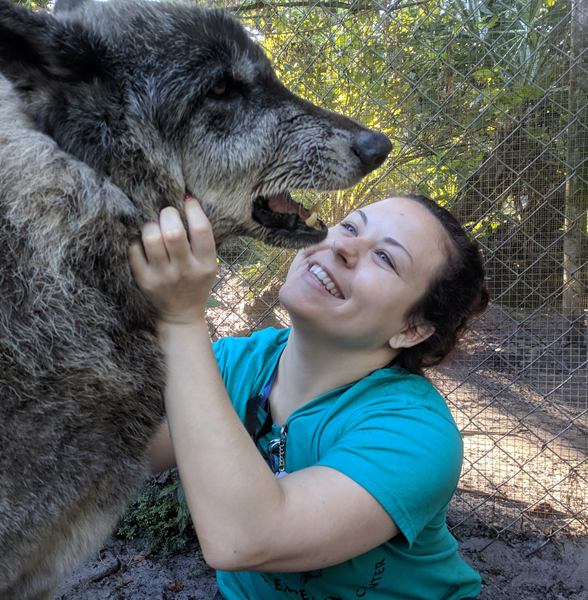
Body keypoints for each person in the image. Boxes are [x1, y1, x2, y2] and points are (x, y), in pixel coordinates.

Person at [128, 194, 490, 600]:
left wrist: (180, 319)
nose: (342, 245)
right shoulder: (233, 364)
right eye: (350, 226)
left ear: (411, 330)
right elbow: (120, 447)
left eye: (386, 258)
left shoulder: (416, 434)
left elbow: (245, 537)